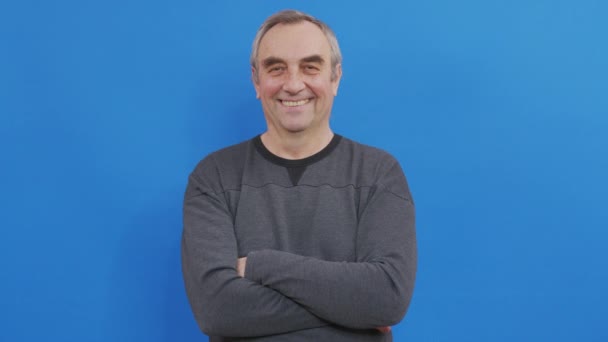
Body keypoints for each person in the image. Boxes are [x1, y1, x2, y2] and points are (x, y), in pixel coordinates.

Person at [182, 9, 417, 341]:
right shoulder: (214, 177)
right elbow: (217, 310)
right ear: (256, 81)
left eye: (310, 67)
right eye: (276, 68)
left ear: (335, 78)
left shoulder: (379, 174)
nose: (293, 84)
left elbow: (387, 298)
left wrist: (259, 266)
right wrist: (352, 309)